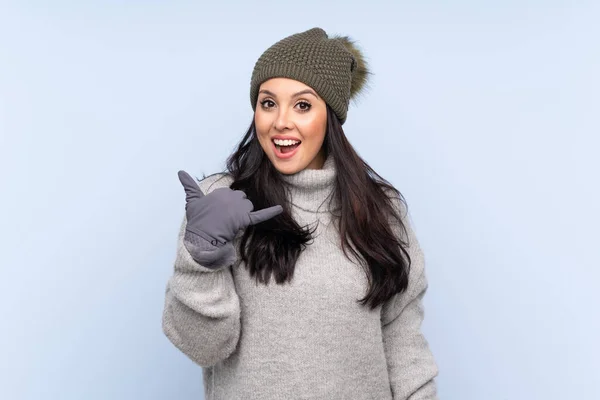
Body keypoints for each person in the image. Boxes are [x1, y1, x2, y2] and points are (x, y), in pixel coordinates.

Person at [162, 27, 439, 400]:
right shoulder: (224, 202)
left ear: (331, 116)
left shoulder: (381, 212)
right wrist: (198, 256)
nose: (281, 122)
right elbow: (205, 348)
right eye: (268, 103)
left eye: (303, 105)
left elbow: (405, 348)